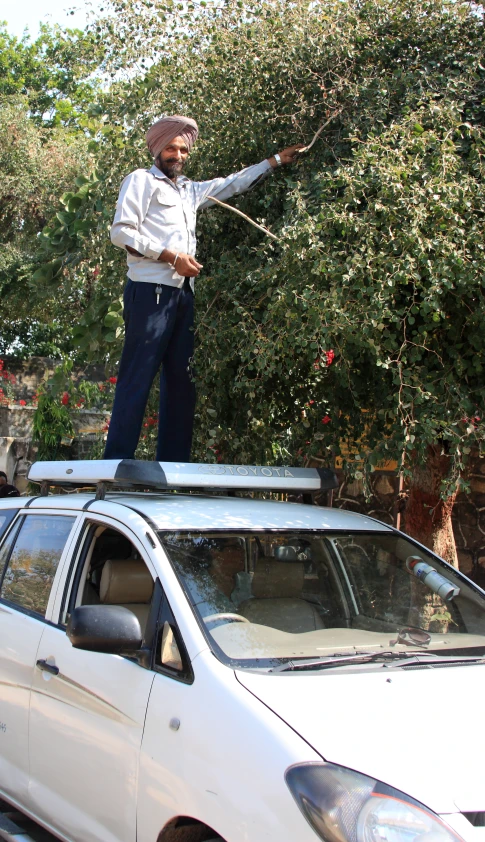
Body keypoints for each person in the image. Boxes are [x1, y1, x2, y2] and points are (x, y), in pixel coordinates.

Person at [104, 114, 303, 462]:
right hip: (150, 293)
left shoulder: (188, 190)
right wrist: (170, 256)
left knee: (182, 385)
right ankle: (114, 465)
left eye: (182, 149)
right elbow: (121, 233)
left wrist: (274, 161)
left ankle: (172, 471)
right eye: (170, 147)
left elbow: (231, 184)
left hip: (183, 296)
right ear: (157, 149)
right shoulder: (140, 181)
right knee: (137, 379)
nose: (177, 154)